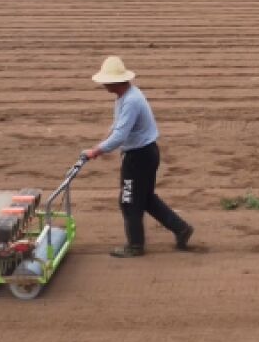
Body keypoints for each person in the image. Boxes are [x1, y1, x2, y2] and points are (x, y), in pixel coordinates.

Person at [82, 56, 194, 258]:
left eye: (106, 82)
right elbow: (116, 127)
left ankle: (135, 245)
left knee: (129, 201)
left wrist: (96, 151)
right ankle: (181, 228)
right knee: (146, 199)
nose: (104, 85)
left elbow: (120, 136)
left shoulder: (131, 101)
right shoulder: (126, 97)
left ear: (116, 81)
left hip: (139, 157)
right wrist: (98, 145)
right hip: (146, 153)